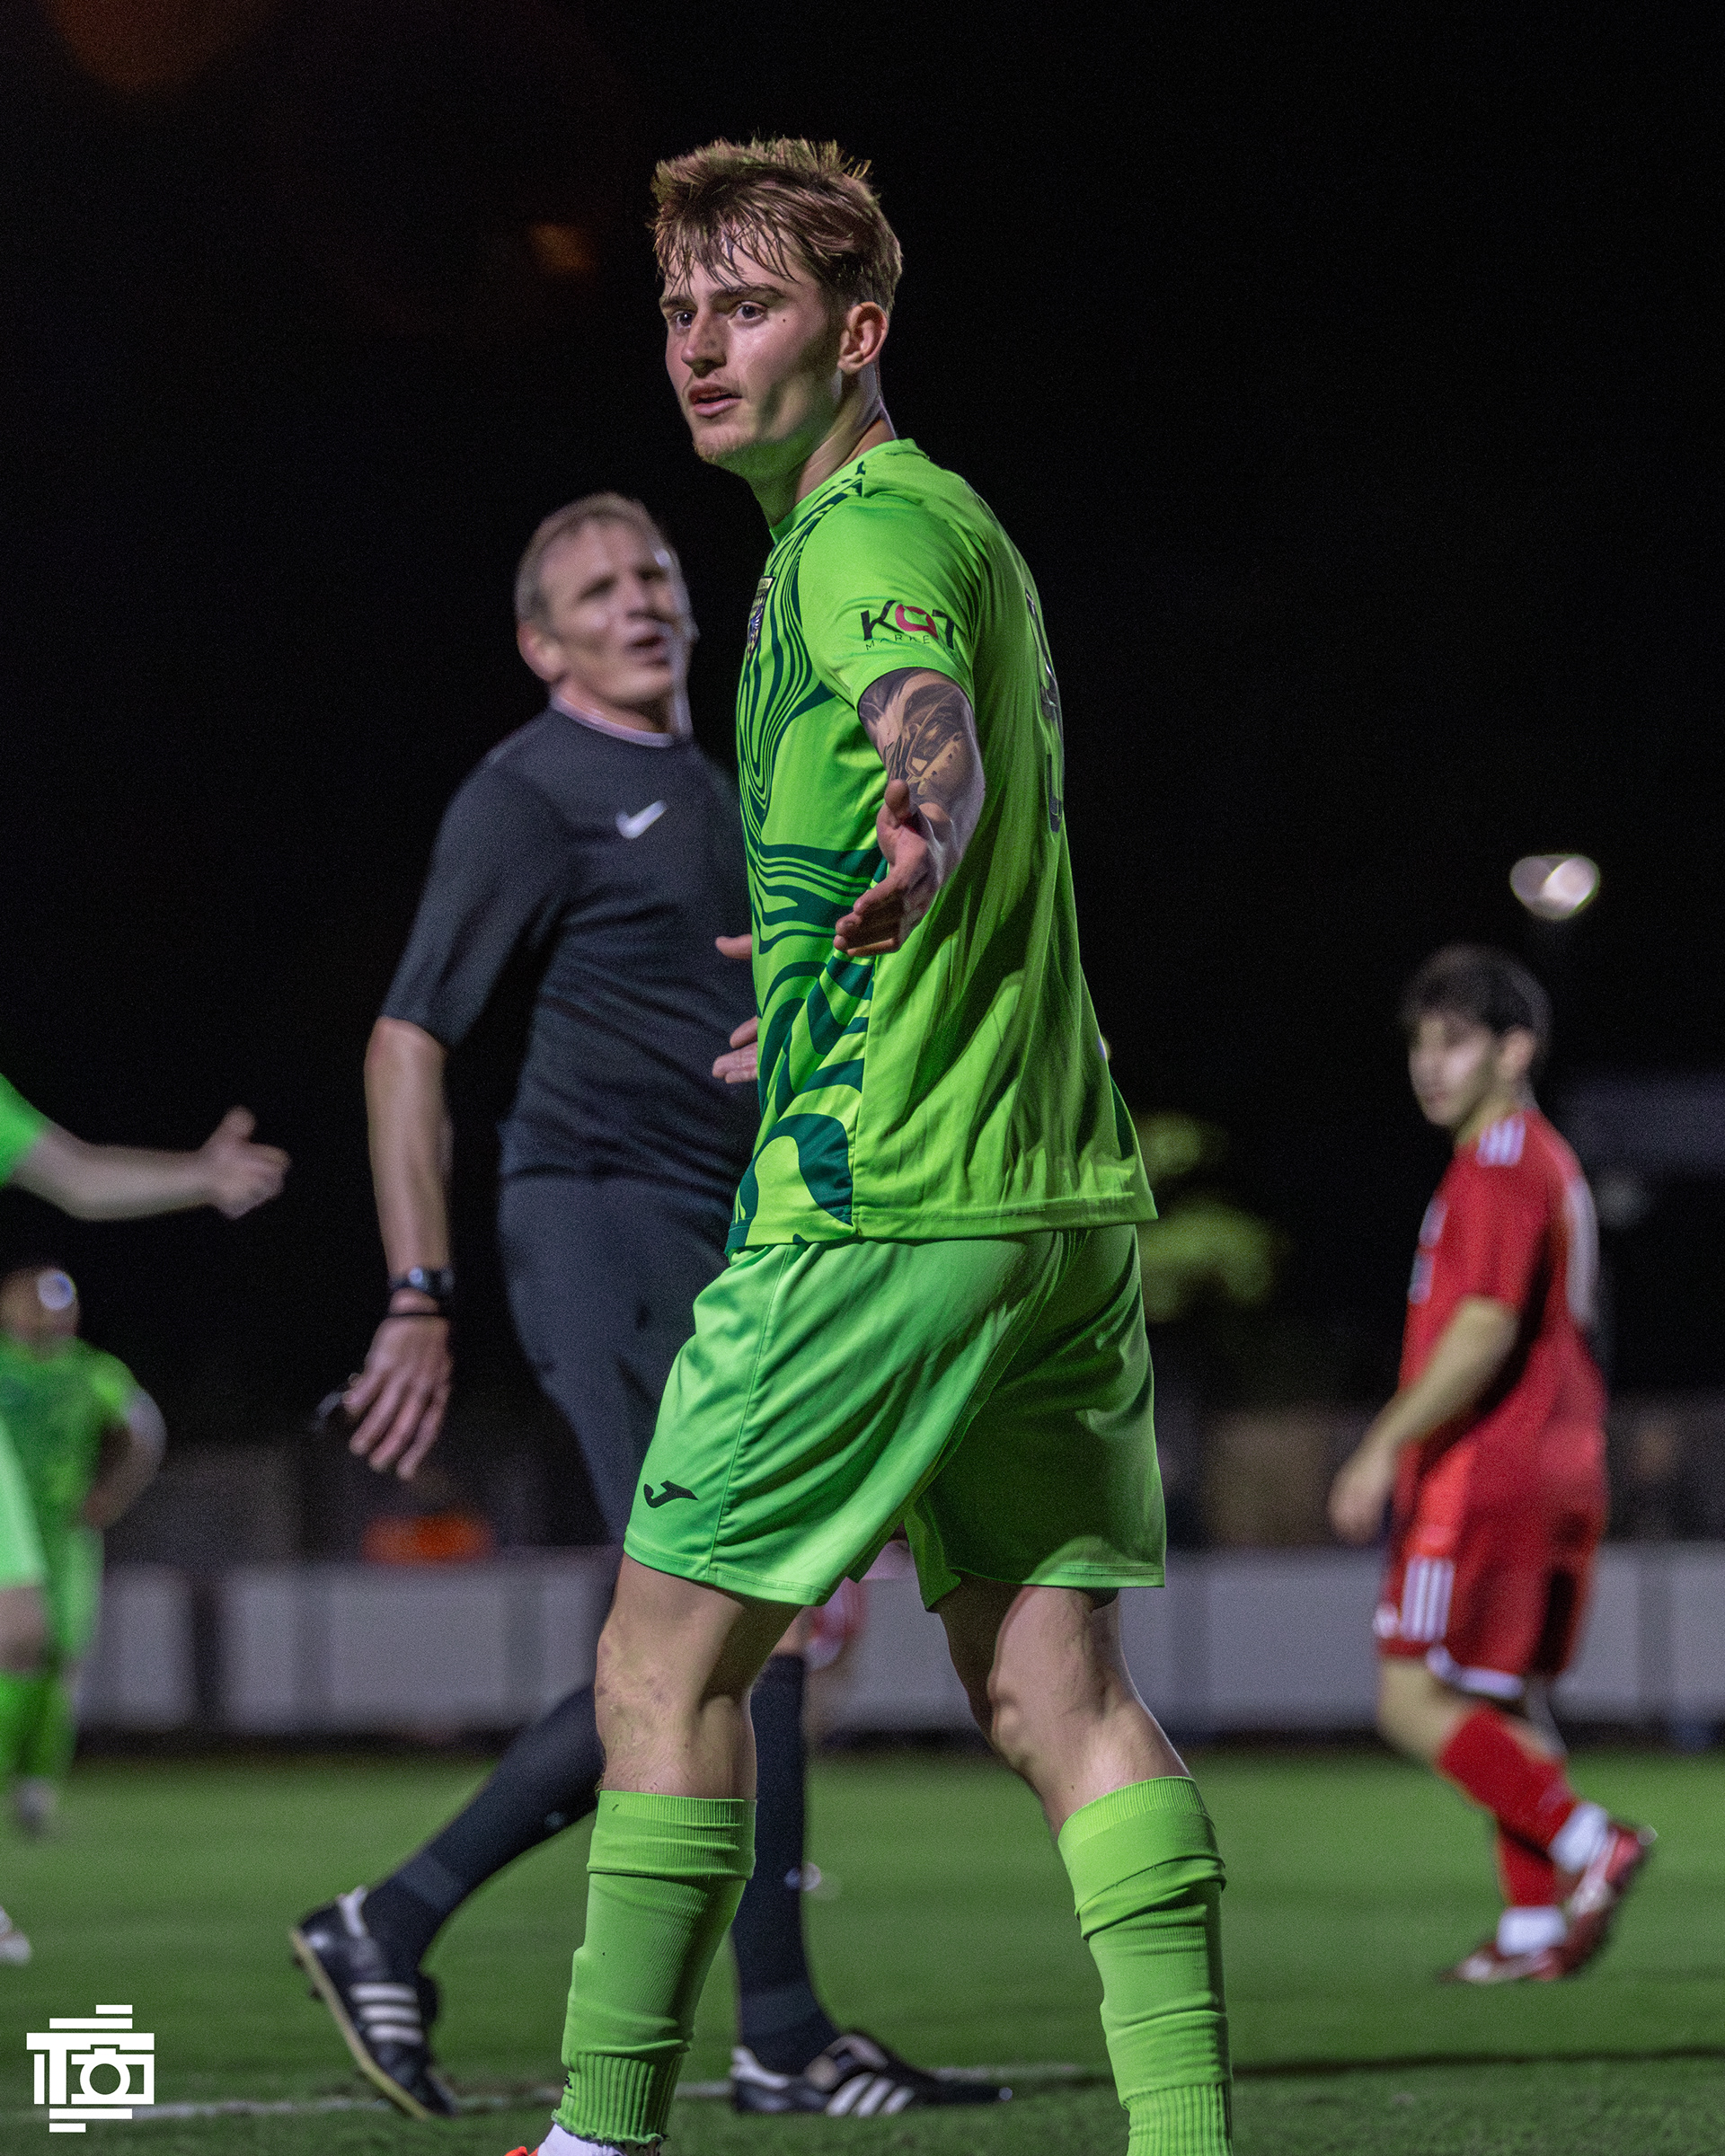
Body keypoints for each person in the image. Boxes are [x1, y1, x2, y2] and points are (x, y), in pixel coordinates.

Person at [518, 139, 1234, 2156]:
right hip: (1055, 1208)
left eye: (745, 307)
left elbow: (929, 723)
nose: (699, 346)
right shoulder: (955, 519)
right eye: (679, 310)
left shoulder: (857, 538)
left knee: (660, 1670)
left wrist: (923, 823)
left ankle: (596, 2138)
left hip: (880, 1213)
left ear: (857, 332)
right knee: (1059, 1701)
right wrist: (836, 970)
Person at [290, 494, 981, 2121]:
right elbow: (406, 1040)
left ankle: (403, 1926)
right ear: (543, 644)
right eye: (597, 590)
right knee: (731, 1615)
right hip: (595, 1221)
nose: (640, 601)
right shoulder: (532, 791)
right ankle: (771, 2032)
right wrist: (416, 1292)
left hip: (724, 1241)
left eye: (654, 573)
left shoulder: (719, 787)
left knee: (734, 1623)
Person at [1330, 946, 1652, 1983]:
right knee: (1499, 1701)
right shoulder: (1531, 1157)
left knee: (1408, 1697)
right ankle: (1530, 1932)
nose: (1430, 1065)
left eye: (1456, 1042)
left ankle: (1588, 1840)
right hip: (1557, 1462)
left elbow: (1483, 1326)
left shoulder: (1504, 1160)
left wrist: (1382, 1444)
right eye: (1421, 1044)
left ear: (1516, 1051)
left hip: (1487, 1472)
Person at [0, 1069, 286, 1964]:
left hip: (52, 1518)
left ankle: (32, 1795)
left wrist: (200, 1175)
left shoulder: (88, 1373)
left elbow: (78, 1175)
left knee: (25, 1636)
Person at [0, 1263, 166, 1836]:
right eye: (34, 1303)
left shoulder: (93, 1372)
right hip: (6, 1530)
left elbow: (145, 1431)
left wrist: (110, 1494)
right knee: (13, 1652)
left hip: (66, 1535)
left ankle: (36, 1790)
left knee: (60, 1660)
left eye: (57, 1306)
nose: (45, 1316)